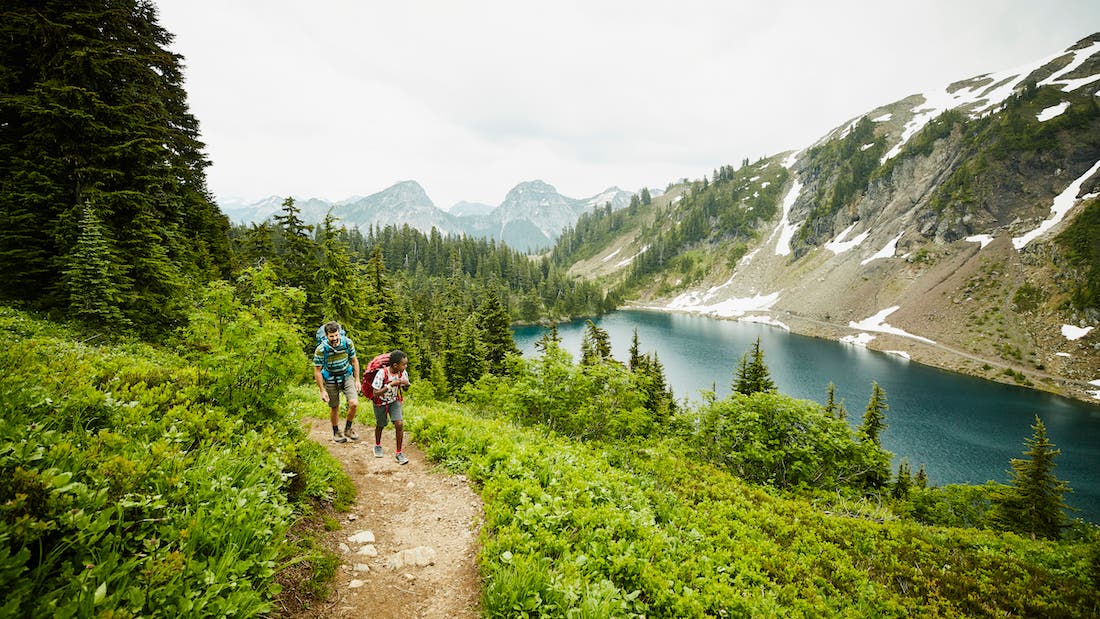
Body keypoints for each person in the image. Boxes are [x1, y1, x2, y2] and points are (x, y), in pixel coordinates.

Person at [313, 321, 361, 443]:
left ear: (339, 333)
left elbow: (354, 361)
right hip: (330, 378)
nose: (334, 338)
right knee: (334, 407)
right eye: (331, 336)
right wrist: (322, 390)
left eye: (336, 335)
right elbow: (317, 370)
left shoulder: (347, 343)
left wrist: (357, 380)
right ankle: (336, 432)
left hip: (347, 375)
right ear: (327, 335)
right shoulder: (321, 349)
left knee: (354, 403)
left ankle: (348, 429)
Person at [370, 349, 411, 464]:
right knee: (381, 424)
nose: (405, 366)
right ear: (395, 365)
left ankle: (399, 452)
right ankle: (377, 445)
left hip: (394, 400)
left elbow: (405, 389)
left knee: (399, 423)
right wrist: (390, 385)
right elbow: (375, 393)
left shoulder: (403, 373)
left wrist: (406, 384)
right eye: (404, 364)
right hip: (380, 402)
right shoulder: (382, 373)